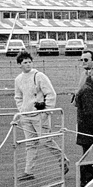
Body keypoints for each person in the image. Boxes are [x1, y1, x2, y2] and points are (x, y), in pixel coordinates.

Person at [12, 51, 61, 180]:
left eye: (29, 62)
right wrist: (22, 110)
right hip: (26, 116)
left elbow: (51, 94)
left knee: (46, 140)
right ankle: (28, 172)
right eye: (25, 62)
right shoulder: (18, 79)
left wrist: (47, 110)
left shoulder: (39, 76)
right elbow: (18, 97)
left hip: (40, 115)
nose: (28, 64)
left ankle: (62, 160)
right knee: (30, 144)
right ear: (19, 65)